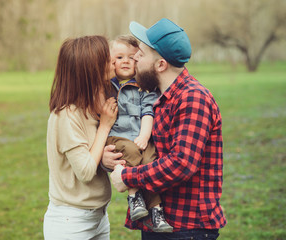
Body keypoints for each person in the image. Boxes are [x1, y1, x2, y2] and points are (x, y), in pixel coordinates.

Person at [104, 18, 227, 239]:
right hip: (159, 223)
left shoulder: (192, 98)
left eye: (140, 54)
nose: (135, 58)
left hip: (186, 227)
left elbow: (181, 164)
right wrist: (110, 158)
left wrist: (128, 177)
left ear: (160, 65)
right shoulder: (156, 96)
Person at [43, 35, 119, 240]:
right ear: (90, 69)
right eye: (106, 57)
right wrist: (104, 126)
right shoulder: (66, 115)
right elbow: (85, 171)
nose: (113, 60)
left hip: (99, 217)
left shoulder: (96, 103)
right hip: (71, 222)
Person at [106, 35, 172, 232]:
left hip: (139, 136)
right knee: (132, 153)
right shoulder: (106, 87)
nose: (125, 61)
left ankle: (156, 212)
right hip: (118, 138)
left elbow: (147, 112)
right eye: (119, 58)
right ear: (110, 62)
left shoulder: (144, 86)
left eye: (131, 57)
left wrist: (144, 135)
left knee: (151, 159)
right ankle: (134, 196)